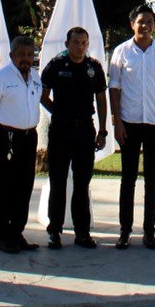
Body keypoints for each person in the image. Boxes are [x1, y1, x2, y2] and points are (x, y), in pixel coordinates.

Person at [108, 4, 155, 250]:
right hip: (129, 124)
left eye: (150, 22)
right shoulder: (121, 52)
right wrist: (117, 122)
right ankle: (125, 231)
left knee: (152, 180)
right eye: (141, 22)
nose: (145, 26)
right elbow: (114, 88)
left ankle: (149, 231)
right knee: (128, 180)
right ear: (132, 24)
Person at [40, 26, 108, 249]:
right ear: (67, 44)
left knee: (82, 183)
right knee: (57, 182)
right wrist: (58, 112)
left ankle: (82, 232)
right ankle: (55, 231)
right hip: (61, 130)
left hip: (85, 131)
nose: (79, 47)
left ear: (87, 45)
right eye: (76, 42)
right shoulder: (56, 65)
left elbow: (101, 99)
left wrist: (102, 130)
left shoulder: (94, 68)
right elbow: (43, 95)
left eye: (83, 43)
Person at [0, 34, 43, 254]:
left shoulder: (35, 76)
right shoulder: (0, 78)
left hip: (28, 138)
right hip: (5, 138)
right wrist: (0, 135)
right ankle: (4, 237)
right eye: (21, 54)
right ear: (11, 55)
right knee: (4, 188)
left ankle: (17, 233)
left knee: (24, 187)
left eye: (29, 54)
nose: (26, 58)